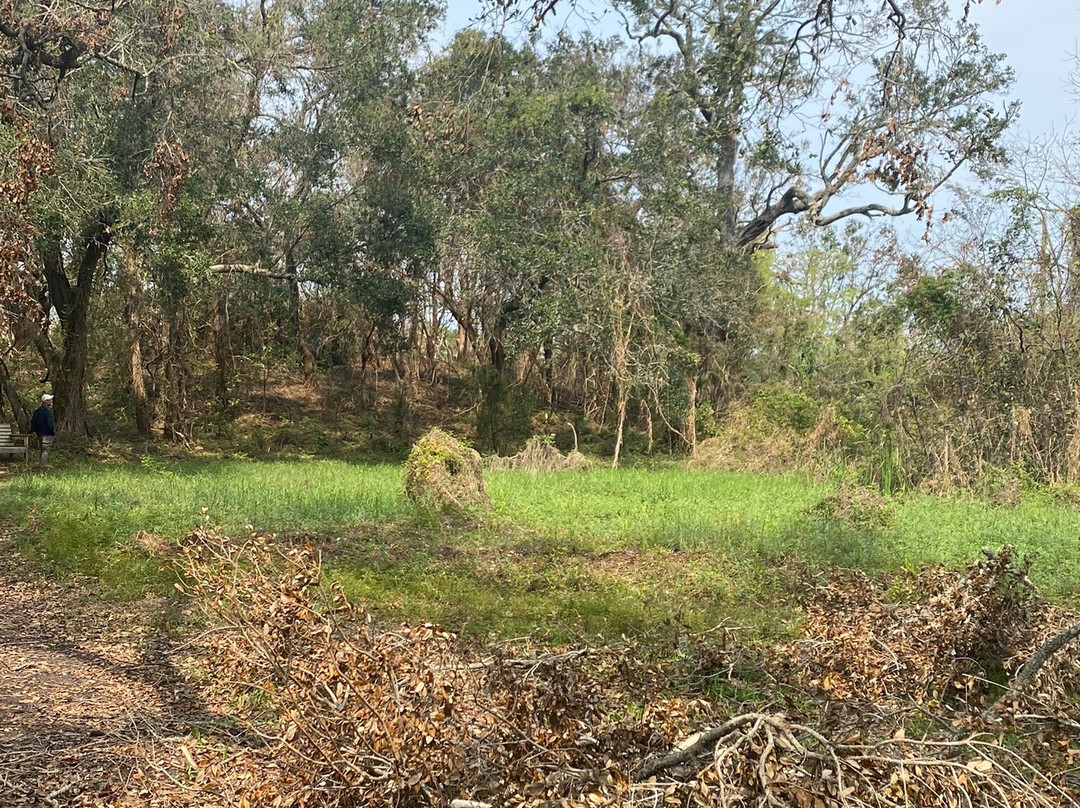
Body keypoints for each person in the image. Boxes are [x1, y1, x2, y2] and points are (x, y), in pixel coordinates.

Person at [30, 393, 55, 469]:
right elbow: (49, 424)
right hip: (47, 434)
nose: (51, 401)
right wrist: (52, 432)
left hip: (39, 434)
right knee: (45, 450)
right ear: (46, 402)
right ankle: (43, 466)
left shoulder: (37, 411)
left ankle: (40, 464)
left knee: (41, 449)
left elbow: (33, 422)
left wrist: (34, 431)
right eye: (50, 400)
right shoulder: (47, 412)